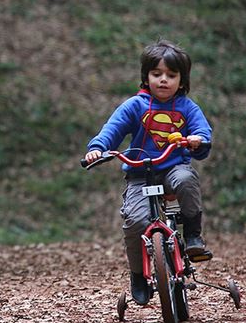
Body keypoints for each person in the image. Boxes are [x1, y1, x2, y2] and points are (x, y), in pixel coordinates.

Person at [84, 39, 213, 305]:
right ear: (146, 77)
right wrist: (98, 148)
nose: (163, 80)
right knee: (134, 222)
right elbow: (113, 129)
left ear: (182, 80)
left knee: (187, 179)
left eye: (171, 75)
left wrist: (197, 139)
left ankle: (192, 235)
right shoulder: (135, 106)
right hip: (140, 173)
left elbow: (202, 132)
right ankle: (138, 275)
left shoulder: (187, 108)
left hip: (173, 167)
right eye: (157, 74)